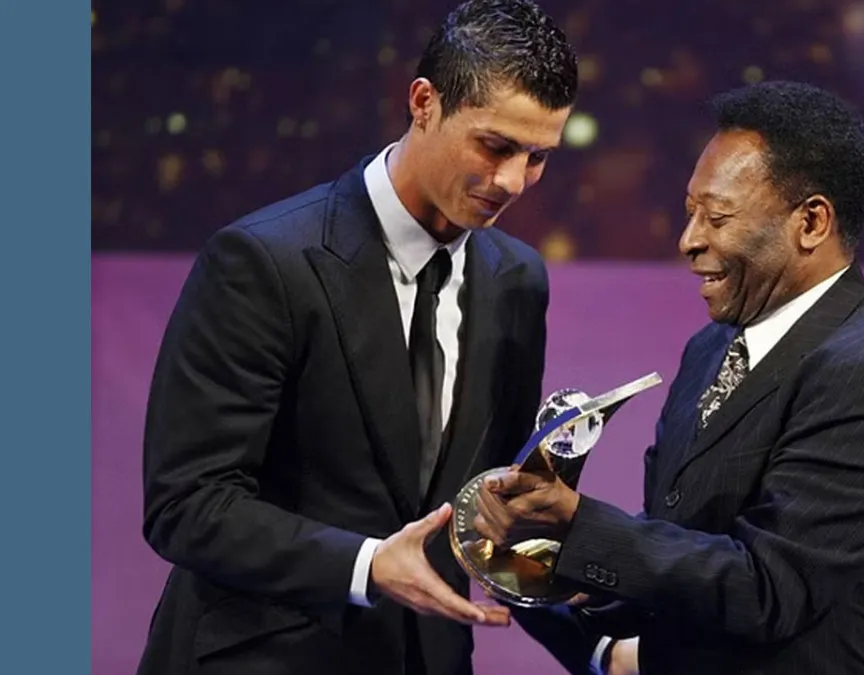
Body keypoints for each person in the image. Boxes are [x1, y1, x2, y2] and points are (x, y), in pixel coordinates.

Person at [135, 2, 578, 674]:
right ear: (424, 102)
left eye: (538, 157)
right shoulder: (264, 262)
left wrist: (595, 637)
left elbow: (483, 502)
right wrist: (367, 563)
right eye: (495, 145)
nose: (513, 181)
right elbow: (187, 503)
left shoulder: (518, 279)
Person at [472, 81, 864, 675]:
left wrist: (580, 527)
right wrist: (549, 568)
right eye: (690, 212)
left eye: (717, 218)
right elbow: (683, 543)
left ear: (812, 222)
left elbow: (768, 590)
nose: (689, 241)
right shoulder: (713, 347)